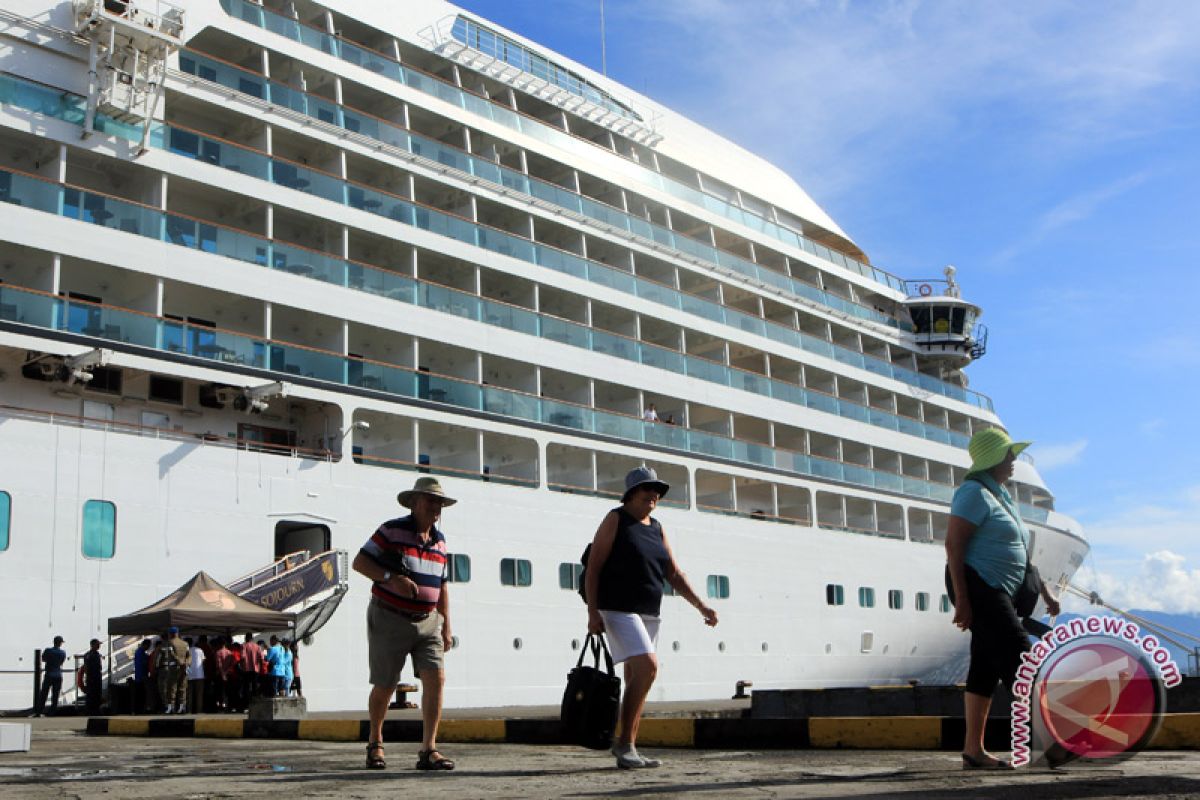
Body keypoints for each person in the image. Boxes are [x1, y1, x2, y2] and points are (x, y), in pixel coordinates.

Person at [585, 466, 718, 769]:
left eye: (657, 490)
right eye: (648, 489)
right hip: (617, 608)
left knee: (637, 678)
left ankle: (630, 745)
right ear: (631, 493)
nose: (654, 494)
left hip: (648, 611)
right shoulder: (615, 518)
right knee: (648, 667)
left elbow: (673, 572)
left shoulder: (656, 527)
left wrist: (702, 606)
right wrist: (592, 612)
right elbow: (593, 567)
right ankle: (623, 744)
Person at [946, 428, 1060, 770]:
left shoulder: (1001, 497)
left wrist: (1044, 589)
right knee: (1023, 661)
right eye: (1008, 455)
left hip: (1000, 590)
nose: (1013, 461)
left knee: (985, 668)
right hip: (980, 585)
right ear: (993, 458)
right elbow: (954, 545)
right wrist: (964, 599)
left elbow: (1017, 552)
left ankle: (973, 752)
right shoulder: (973, 493)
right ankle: (1049, 745)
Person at [352, 476, 456, 772]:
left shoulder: (440, 541)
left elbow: (442, 585)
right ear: (413, 502)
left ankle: (429, 749)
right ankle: (375, 742)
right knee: (385, 684)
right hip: (389, 617)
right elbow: (360, 562)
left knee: (436, 680)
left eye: (440, 502)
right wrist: (389, 579)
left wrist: (446, 625)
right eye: (430, 500)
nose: (436, 507)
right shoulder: (391, 530)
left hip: (429, 622)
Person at [155, 627, 189, 714]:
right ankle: (182, 707)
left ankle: (171, 708)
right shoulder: (185, 643)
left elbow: (171, 655)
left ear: (171, 634)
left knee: (171, 688)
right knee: (182, 688)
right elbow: (189, 655)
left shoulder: (168, 643)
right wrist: (186, 663)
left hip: (172, 668)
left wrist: (157, 667)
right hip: (184, 668)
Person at [34, 636, 67, 716]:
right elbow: (61, 662)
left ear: (54, 642)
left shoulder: (48, 650)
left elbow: (43, 659)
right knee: (55, 695)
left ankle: (39, 711)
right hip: (58, 675)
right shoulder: (63, 652)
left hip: (49, 674)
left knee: (44, 694)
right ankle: (52, 712)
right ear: (61, 643)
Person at [240, 634, 264, 703]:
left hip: (246, 669)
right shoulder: (257, 646)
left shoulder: (244, 646)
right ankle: (255, 702)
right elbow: (261, 657)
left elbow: (242, 657)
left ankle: (247, 703)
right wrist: (260, 667)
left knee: (246, 687)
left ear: (246, 638)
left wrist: (242, 665)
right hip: (255, 669)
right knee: (255, 686)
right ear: (252, 638)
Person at [82, 639, 104, 714]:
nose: (99, 646)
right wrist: (89, 677)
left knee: (97, 694)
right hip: (92, 678)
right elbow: (86, 668)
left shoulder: (96, 654)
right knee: (92, 695)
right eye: (97, 644)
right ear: (93, 645)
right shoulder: (90, 655)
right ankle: (91, 710)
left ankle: (96, 709)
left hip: (96, 677)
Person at [186, 637, 206, 713]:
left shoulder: (186, 651)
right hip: (199, 675)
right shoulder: (199, 650)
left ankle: (189, 711)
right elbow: (203, 661)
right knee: (199, 695)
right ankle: (199, 711)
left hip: (189, 675)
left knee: (189, 695)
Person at [132, 639, 152, 714]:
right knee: (141, 695)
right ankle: (139, 710)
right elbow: (144, 663)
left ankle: (138, 710)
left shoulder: (139, 652)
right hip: (141, 677)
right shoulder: (141, 653)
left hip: (139, 676)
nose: (148, 648)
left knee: (140, 694)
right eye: (148, 646)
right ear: (145, 645)